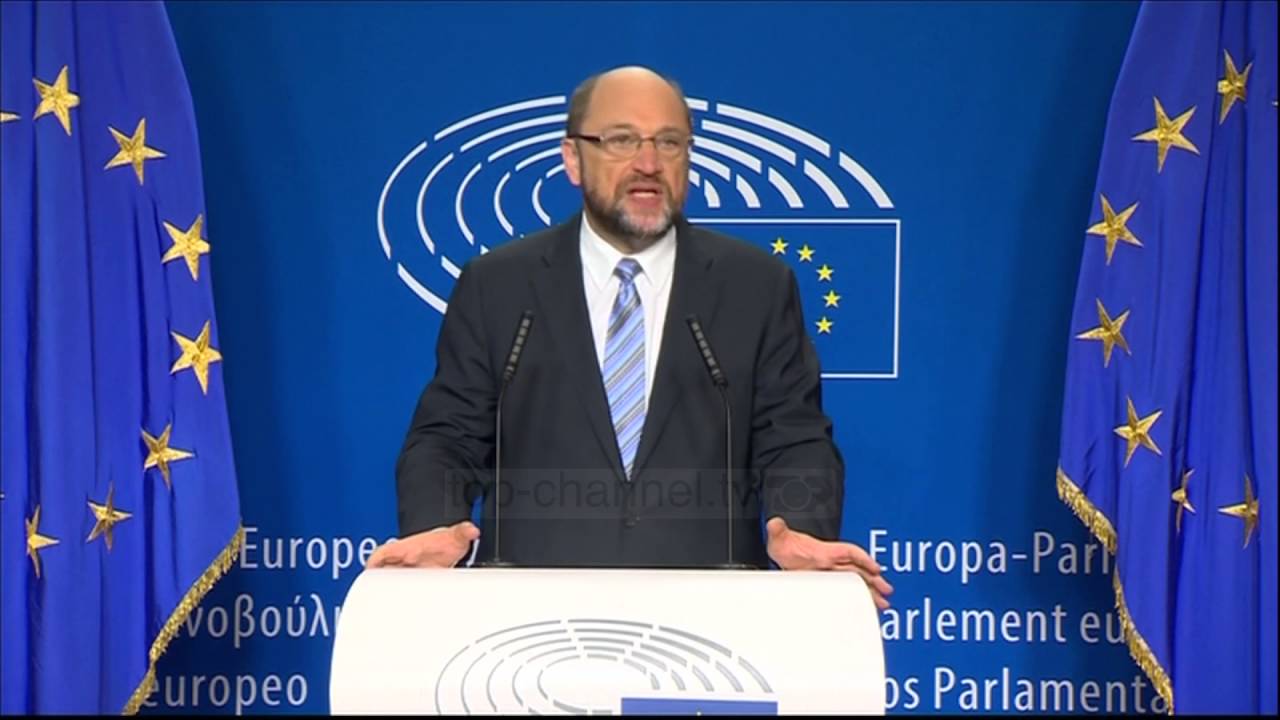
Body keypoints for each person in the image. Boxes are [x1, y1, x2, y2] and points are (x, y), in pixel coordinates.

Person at [368, 65, 892, 610]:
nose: (649, 163)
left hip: (712, 614)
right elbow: (447, 437)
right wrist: (434, 525)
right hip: (531, 614)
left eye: (669, 142)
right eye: (621, 140)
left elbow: (795, 437)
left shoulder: (755, 285)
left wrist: (801, 528)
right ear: (573, 159)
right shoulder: (498, 285)